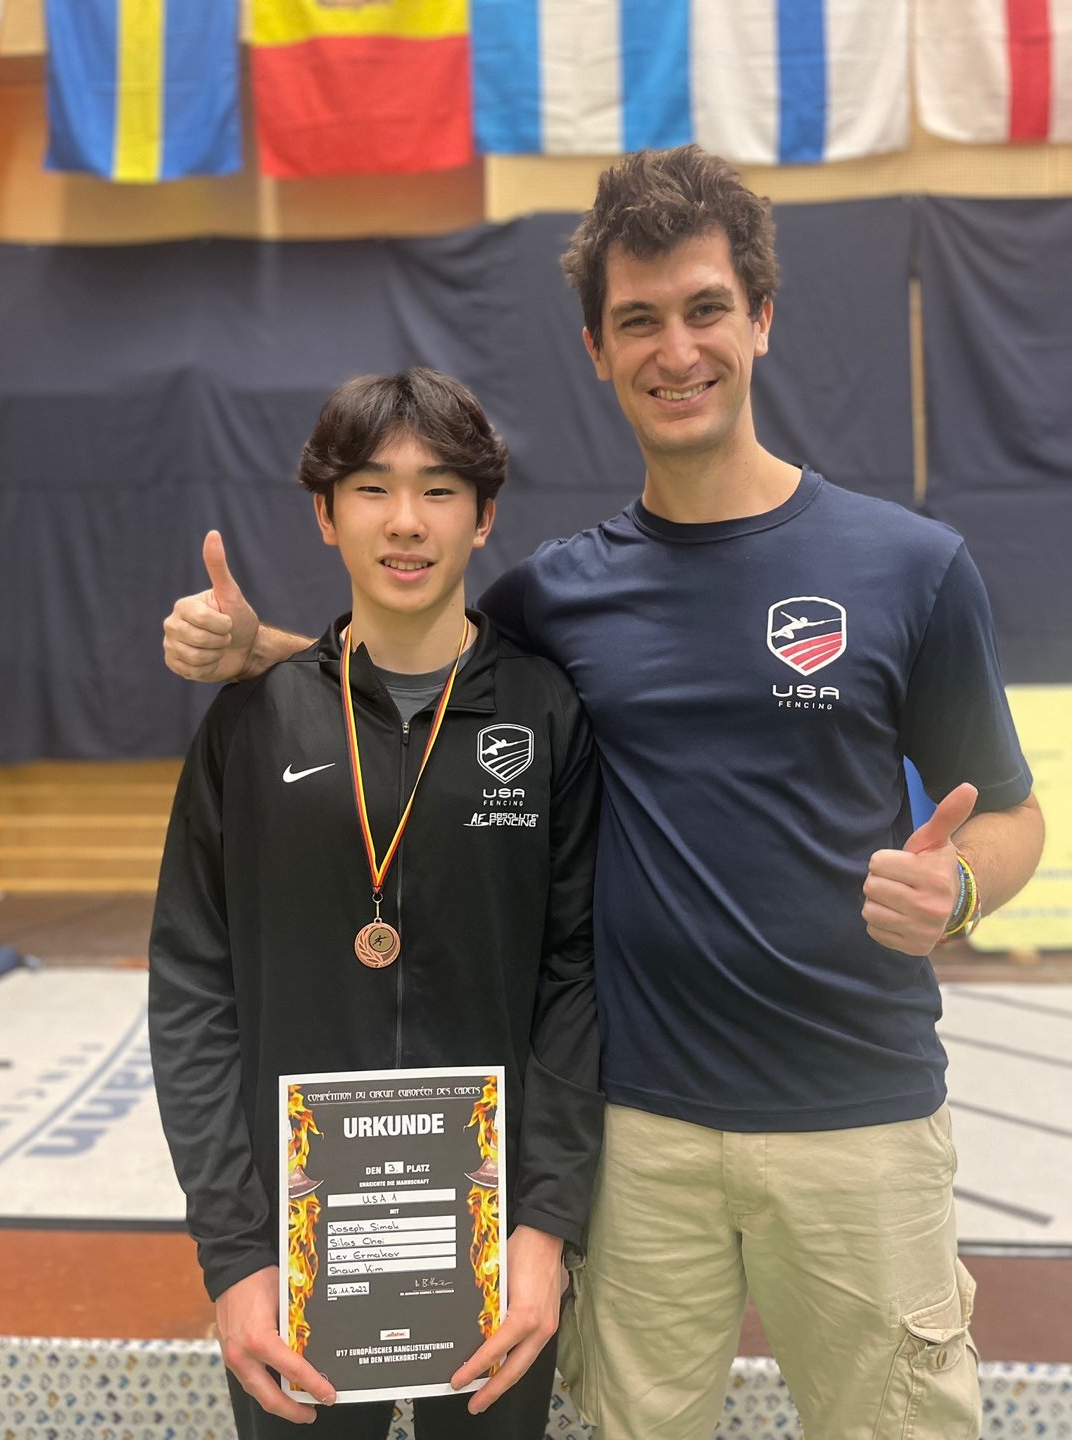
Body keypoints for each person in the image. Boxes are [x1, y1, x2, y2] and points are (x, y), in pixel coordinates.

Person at [161, 148, 1045, 1440]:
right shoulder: (558, 597)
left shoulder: (910, 567)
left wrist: (961, 887)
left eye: (702, 309)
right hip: (643, 1145)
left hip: (861, 1128)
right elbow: (427, 659)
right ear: (595, 348)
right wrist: (264, 656)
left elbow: (1013, 816)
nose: (674, 348)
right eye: (637, 320)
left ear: (760, 317)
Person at [149, 368, 603, 1440]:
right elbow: (191, 994)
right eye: (371, 488)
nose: (406, 523)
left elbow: (576, 979)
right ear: (323, 513)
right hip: (296, 1262)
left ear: (486, 515)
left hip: (492, 1251)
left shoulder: (542, 715)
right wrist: (236, 1254)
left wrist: (544, 1226)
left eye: (441, 489)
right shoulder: (250, 727)